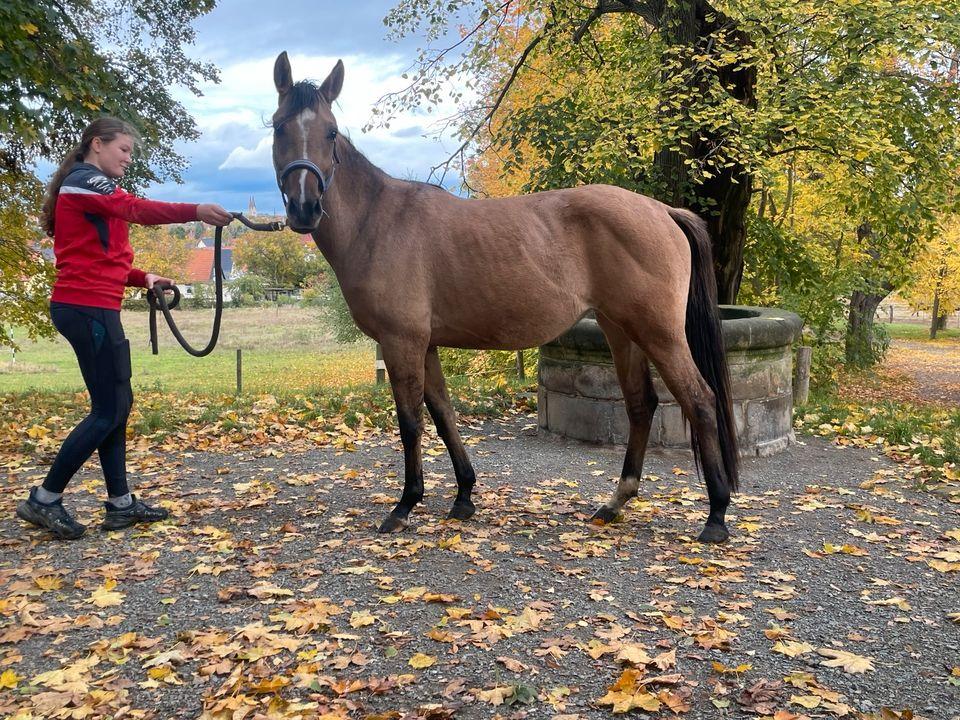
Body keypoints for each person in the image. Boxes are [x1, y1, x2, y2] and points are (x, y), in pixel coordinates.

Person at [16, 117, 233, 540]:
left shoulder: (89, 189)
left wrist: (143, 277)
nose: (127, 159)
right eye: (124, 150)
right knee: (108, 409)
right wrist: (196, 211)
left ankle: (120, 504)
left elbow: (99, 258)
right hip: (87, 309)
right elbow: (135, 208)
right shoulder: (84, 181)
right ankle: (44, 498)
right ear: (97, 144)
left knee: (117, 405)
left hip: (93, 305)